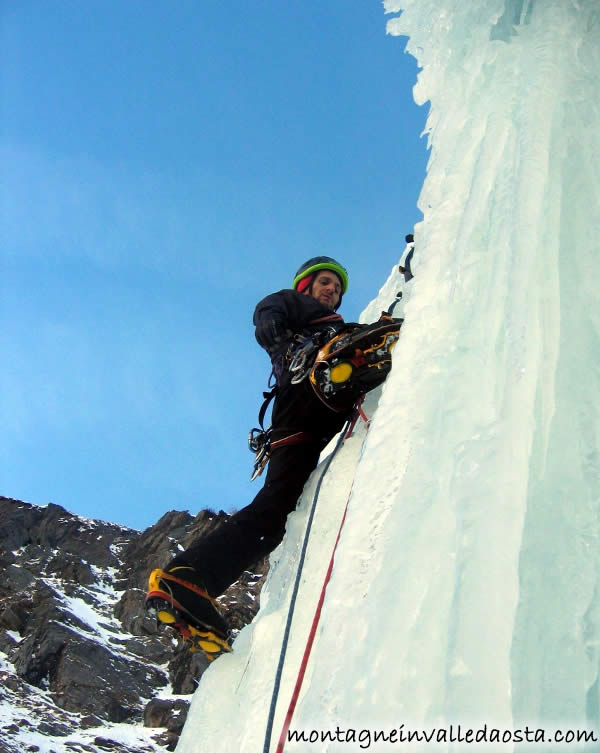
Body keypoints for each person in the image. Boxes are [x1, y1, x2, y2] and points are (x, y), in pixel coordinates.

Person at [145, 256, 353, 659]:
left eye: (338, 288)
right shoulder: (297, 306)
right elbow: (269, 310)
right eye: (325, 282)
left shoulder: (327, 322)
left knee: (275, 513)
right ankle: (186, 576)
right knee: (272, 509)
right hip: (306, 393)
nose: (332, 290)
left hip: (303, 418)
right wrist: (274, 328)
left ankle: (195, 581)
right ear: (307, 285)